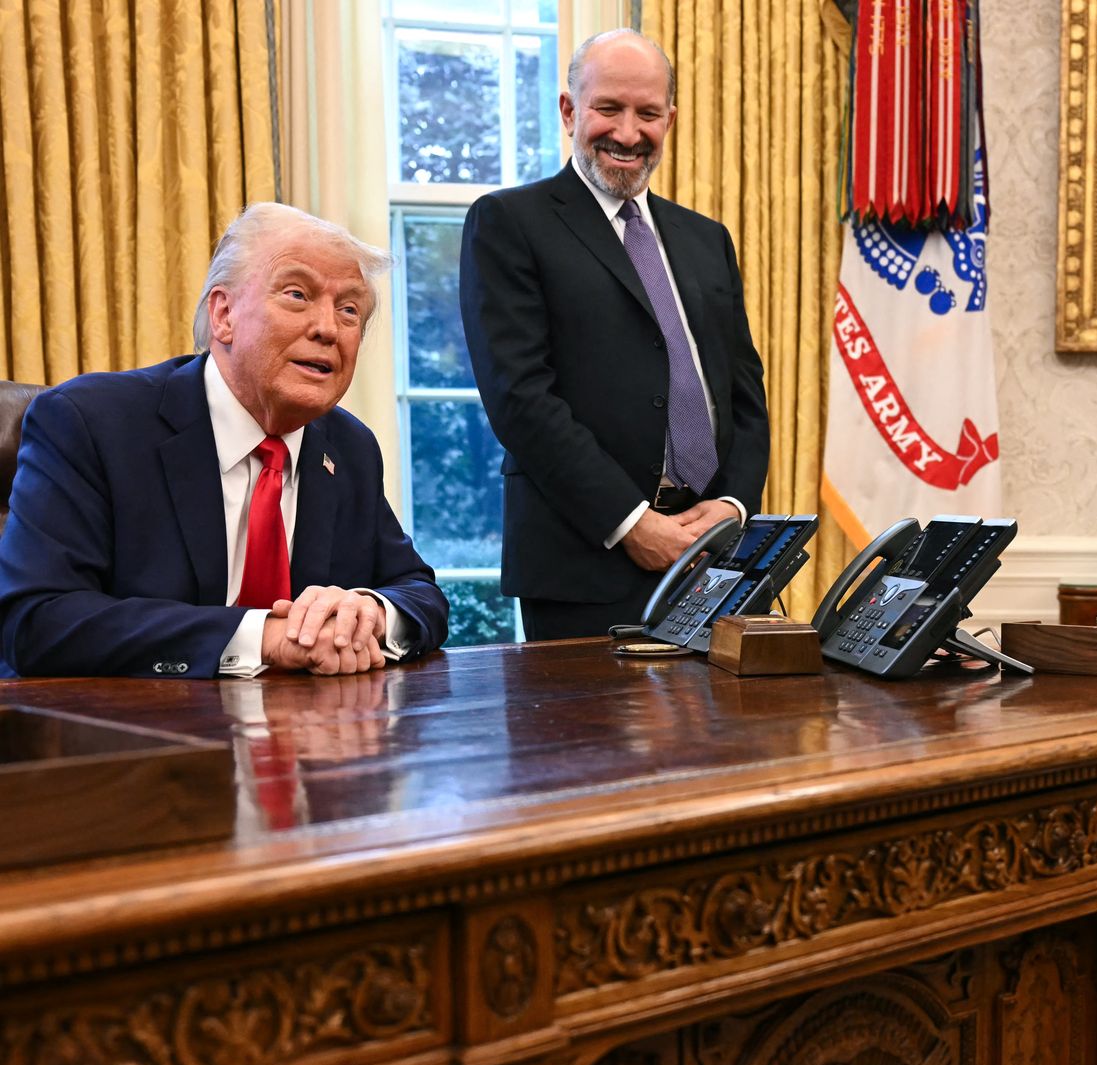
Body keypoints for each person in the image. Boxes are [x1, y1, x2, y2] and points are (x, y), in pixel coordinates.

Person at [0, 203, 449, 678]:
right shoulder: (91, 422)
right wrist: (265, 637)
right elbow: (37, 619)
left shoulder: (348, 446)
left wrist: (370, 613)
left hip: (309, 737)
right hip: (133, 736)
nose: (328, 328)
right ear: (224, 314)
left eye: (350, 310)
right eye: (298, 294)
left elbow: (419, 593)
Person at [459, 29, 769, 640]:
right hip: (585, 566)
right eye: (609, 109)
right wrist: (632, 524)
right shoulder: (508, 223)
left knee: (729, 738)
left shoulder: (708, 240)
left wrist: (732, 508)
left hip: (717, 564)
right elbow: (519, 398)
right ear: (570, 110)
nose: (628, 133)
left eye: (647, 114)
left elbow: (744, 396)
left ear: (669, 119)